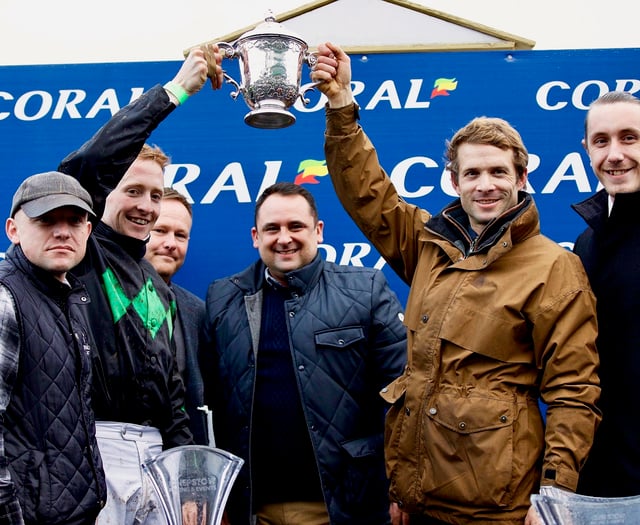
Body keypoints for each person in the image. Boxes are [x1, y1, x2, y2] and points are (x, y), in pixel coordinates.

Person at [311, 42, 602, 525]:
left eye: (497, 172)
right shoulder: (428, 245)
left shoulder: (553, 267)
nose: (485, 184)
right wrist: (341, 105)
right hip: (420, 501)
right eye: (472, 173)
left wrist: (555, 495)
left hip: (498, 510)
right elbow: (368, 194)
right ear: (454, 180)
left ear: (521, 176)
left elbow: (574, 391)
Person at [55, 45, 224, 524]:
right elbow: (89, 164)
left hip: (155, 458)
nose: (146, 206)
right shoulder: (83, 249)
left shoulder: (157, 286)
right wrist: (176, 92)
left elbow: (173, 396)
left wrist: (191, 485)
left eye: (155, 194)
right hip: (88, 448)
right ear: (104, 193)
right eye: (133, 190)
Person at [199, 182, 407, 525]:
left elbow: (404, 396)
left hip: (344, 508)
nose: (284, 238)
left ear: (318, 231)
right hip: (253, 509)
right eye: (272, 228)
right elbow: (211, 401)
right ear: (255, 236)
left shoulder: (366, 290)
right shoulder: (223, 297)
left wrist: (402, 487)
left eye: (295, 226)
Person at [0, 171, 106, 524]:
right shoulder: (4, 298)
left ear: (87, 232)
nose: (62, 231)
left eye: (75, 221)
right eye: (46, 219)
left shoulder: (68, 299)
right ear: (13, 230)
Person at [572, 91, 640, 498]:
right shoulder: (587, 242)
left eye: (629, 138)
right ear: (587, 149)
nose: (614, 154)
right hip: (600, 481)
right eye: (602, 141)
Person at [144, 187, 208, 445]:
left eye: (180, 235)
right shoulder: (101, 297)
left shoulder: (197, 311)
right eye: (160, 231)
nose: (170, 243)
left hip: (182, 461)